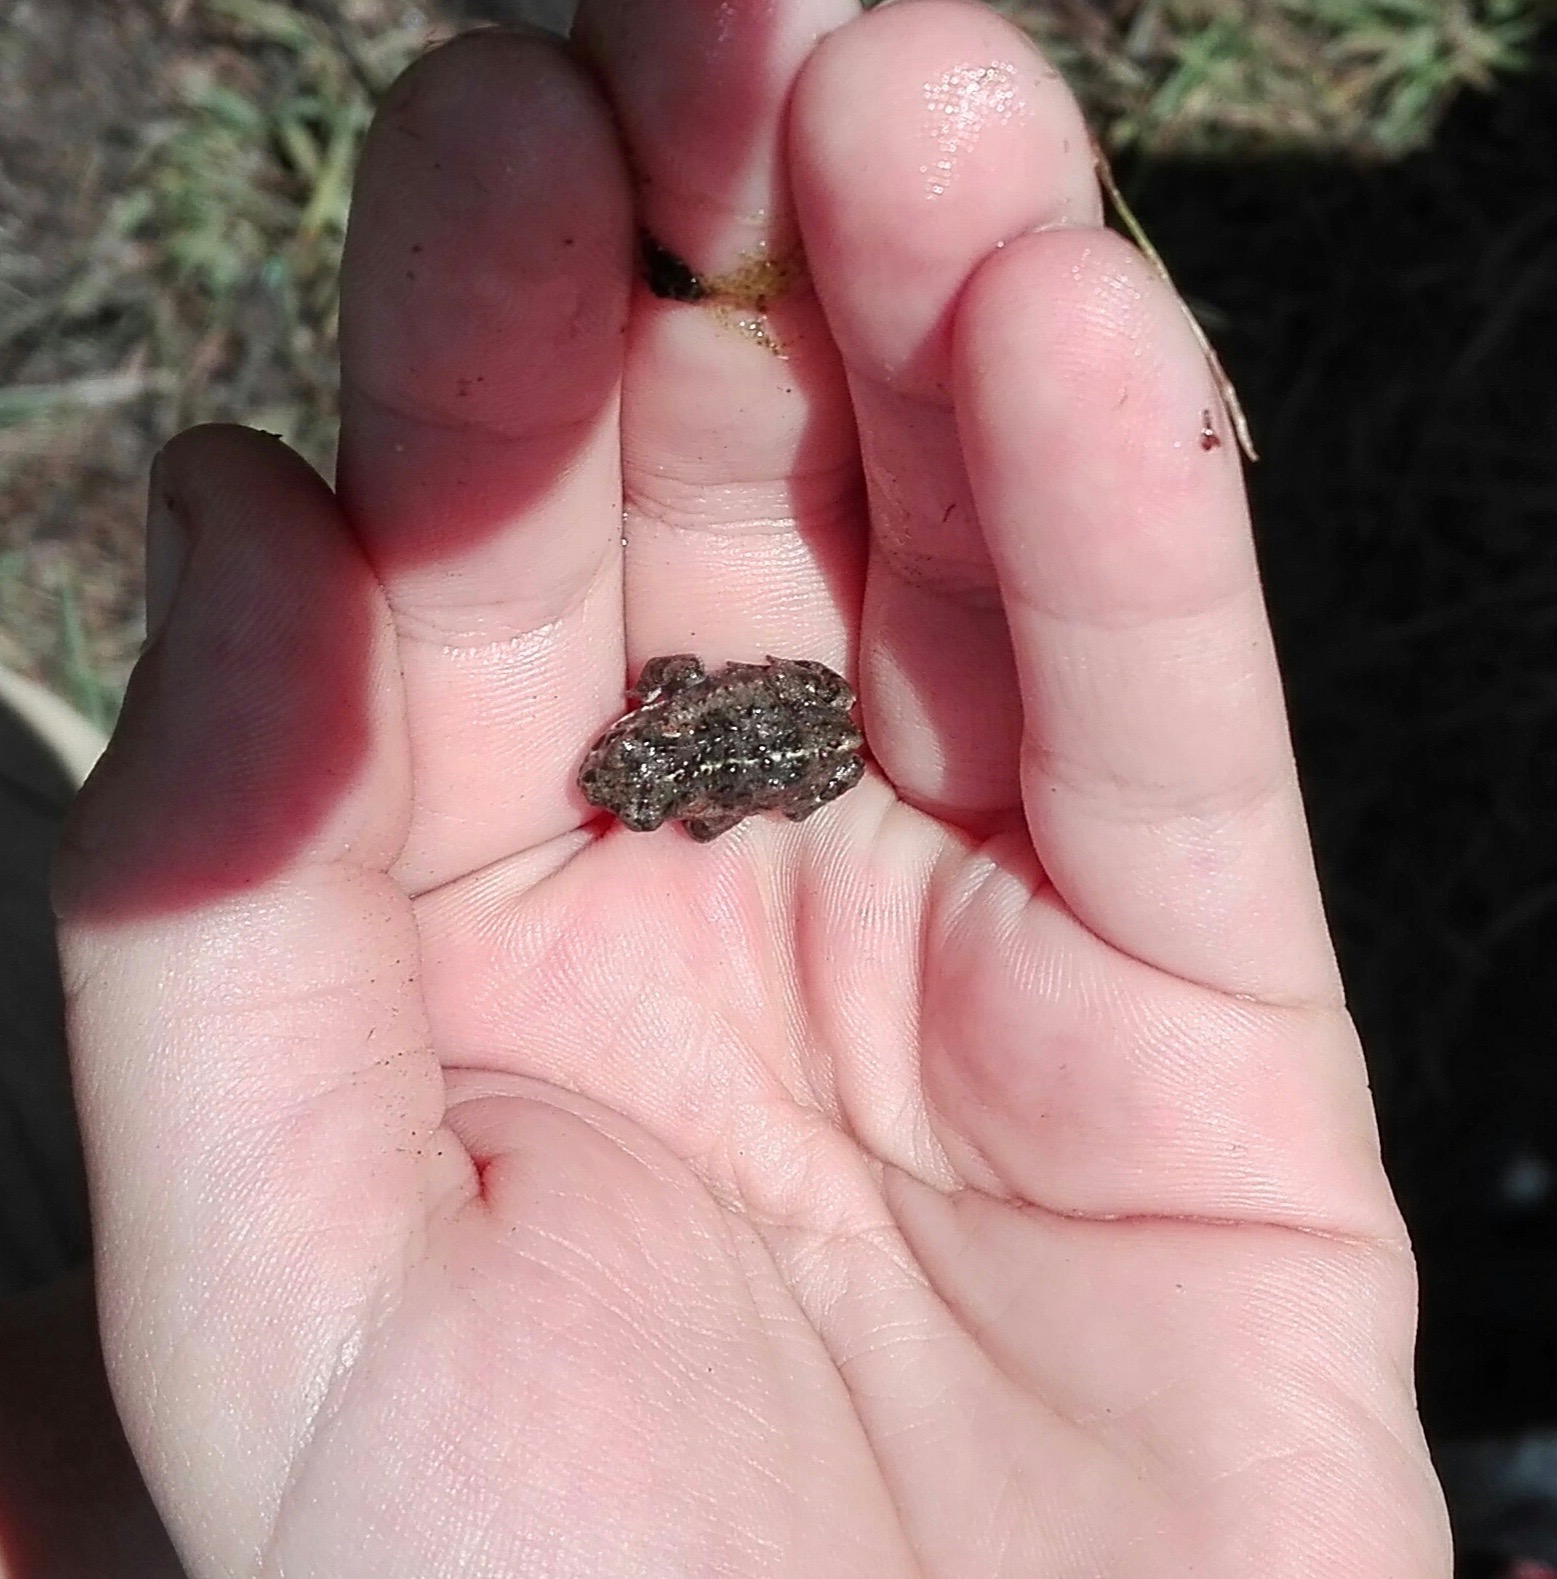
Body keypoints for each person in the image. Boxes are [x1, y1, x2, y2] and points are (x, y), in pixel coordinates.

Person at [0, 0, 1452, 1572]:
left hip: (806, 740)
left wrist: (679, 757)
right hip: (787, 738)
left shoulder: (681, 775)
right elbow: (696, 737)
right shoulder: (669, 761)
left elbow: (722, 756)